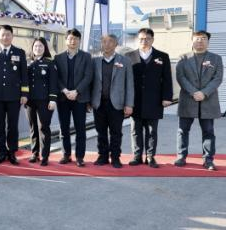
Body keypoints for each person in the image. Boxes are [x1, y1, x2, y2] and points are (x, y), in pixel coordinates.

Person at [175, 30, 223, 171]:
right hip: (188, 99)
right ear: (192, 40)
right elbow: (181, 77)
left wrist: (204, 93)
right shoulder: (183, 58)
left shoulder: (216, 58)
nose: (200, 41)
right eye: (197, 38)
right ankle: (181, 156)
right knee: (183, 130)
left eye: (203, 38)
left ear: (208, 41)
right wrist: (193, 92)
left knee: (208, 131)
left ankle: (208, 159)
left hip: (208, 100)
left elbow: (218, 78)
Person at [125, 28, 173, 168]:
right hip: (135, 100)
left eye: (147, 38)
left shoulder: (162, 56)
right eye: (141, 38)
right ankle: (137, 156)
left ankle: (150, 156)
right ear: (137, 39)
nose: (144, 41)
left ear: (152, 39)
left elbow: (167, 79)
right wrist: (125, 101)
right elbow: (125, 80)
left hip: (154, 100)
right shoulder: (129, 56)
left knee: (152, 131)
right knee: (135, 130)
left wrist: (167, 97)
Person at [0, 25, 28, 164]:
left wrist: (24, 93)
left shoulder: (19, 52)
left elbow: (24, 75)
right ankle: (1, 151)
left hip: (14, 96)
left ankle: (12, 152)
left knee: (12, 126)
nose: (5, 37)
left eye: (8, 34)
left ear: (12, 36)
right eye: (3, 34)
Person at [90, 34, 134, 168]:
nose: (107, 44)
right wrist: (89, 102)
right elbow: (90, 83)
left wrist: (129, 104)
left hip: (117, 103)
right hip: (99, 103)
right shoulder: (94, 61)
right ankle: (102, 156)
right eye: (104, 41)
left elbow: (129, 84)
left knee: (116, 132)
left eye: (110, 41)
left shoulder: (125, 61)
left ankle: (115, 157)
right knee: (101, 132)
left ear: (116, 44)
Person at [54, 28, 93, 167]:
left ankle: (80, 157)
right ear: (66, 40)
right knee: (64, 128)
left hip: (80, 98)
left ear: (79, 41)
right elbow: (56, 77)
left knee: (80, 129)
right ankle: (66, 154)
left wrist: (76, 91)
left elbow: (88, 76)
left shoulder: (86, 56)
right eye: (70, 38)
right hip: (63, 98)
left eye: (76, 39)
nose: (73, 41)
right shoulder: (58, 57)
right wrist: (65, 90)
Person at [25, 37, 58, 166]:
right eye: (35, 46)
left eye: (40, 46)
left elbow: (53, 83)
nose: (37, 48)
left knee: (43, 127)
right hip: (30, 101)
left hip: (44, 100)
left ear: (45, 48)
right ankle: (34, 153)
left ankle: (45, 155)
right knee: (33, 128)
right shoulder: (28, 62)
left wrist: (53, 99)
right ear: (32, 48)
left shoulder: (50, 63)